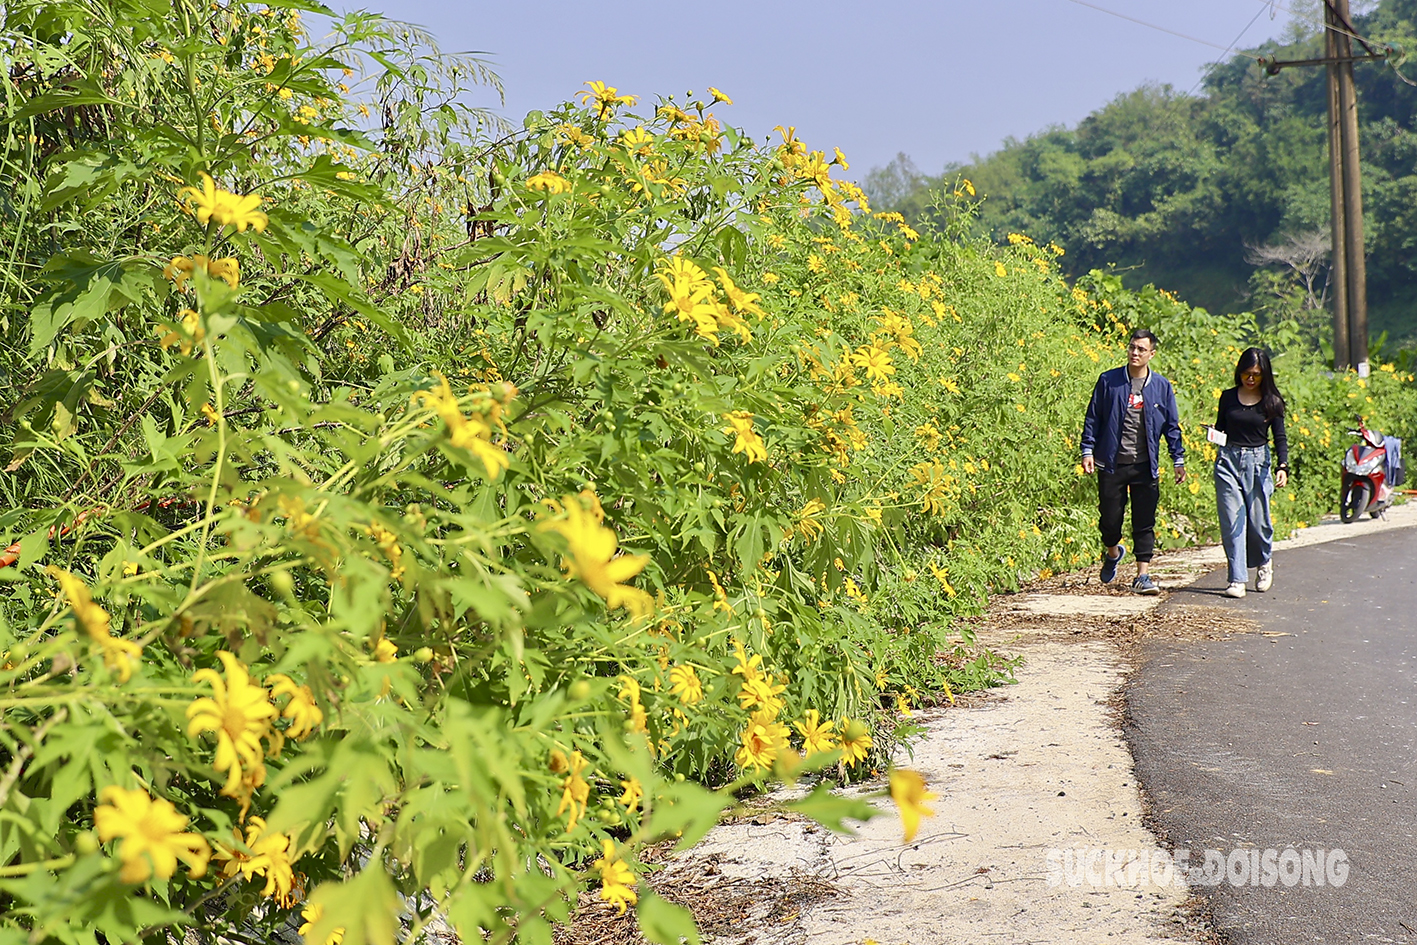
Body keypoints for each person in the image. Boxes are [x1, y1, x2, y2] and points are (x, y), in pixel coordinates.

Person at [1080, 328, 1186, 595]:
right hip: (1112, 463)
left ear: (1152, 354)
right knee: (1110, 520)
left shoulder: (1161, 387)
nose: (1135, 353)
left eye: (1141, 349)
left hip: (1144, 465)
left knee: (1144, 521)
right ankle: (1113, 552)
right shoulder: (1109, 381)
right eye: (1132, 347)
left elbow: (1171, 426)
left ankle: (1142, 576)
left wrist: (1178, 459)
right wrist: (1087, 451)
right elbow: (1093, 418)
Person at [1212, 347, 1288, 599]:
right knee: (1232, 519)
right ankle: (1236, 578)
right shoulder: (1228, 397)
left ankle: (1264, 563)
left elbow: (1279, 437)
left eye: (1256, 374)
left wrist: (1282, 466)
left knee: (1258, 521)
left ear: (1264, 375)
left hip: (1259, 462)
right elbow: (1221, 428)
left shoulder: (1272, 402)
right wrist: (1213, 433)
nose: (1251, 379)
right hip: (1228, 460)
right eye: (1246, 374)